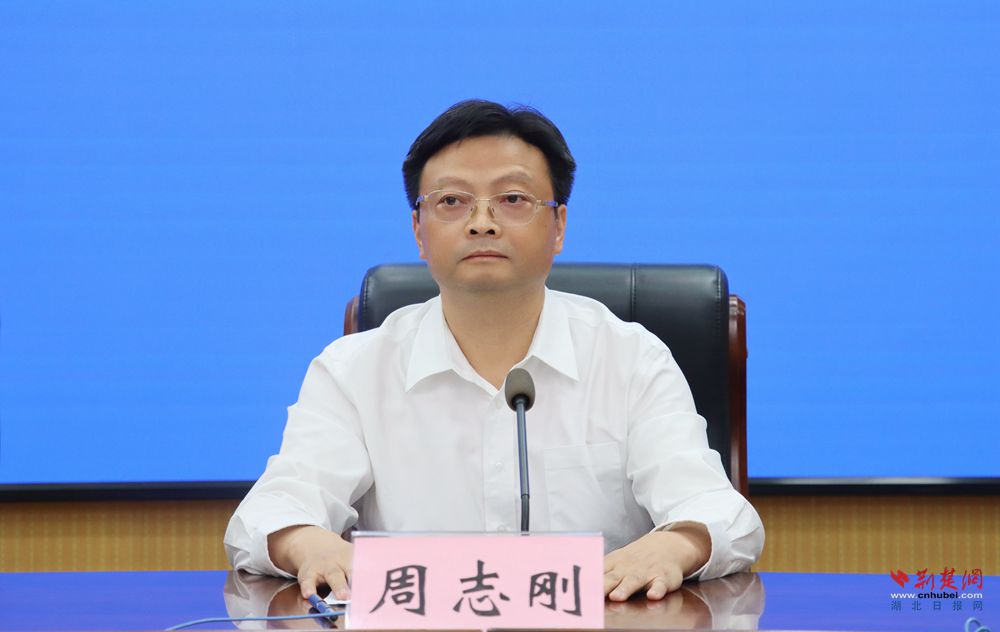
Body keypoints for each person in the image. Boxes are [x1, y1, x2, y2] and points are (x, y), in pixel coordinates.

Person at [224, 99, 764, 603]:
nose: (481, 222)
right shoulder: (354, 371)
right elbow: (270, 511)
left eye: (512, 199)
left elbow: (720, 512)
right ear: (418, 230)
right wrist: (308, 543)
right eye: (451, 201)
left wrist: (676, 543)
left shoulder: (631, 360)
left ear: (558, 226)